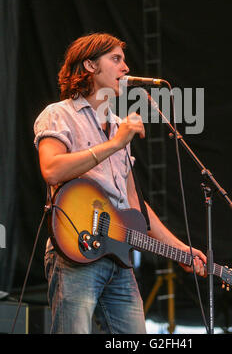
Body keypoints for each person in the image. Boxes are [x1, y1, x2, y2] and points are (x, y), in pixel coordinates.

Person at [34, 32, 206, 334]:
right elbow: (51, 169)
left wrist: (180, 248)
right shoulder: (58, 115)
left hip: (118, 258)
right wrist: (115, 144)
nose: (125, 68)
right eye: (116, 59)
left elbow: (133, 205)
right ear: (89, 65)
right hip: (76, 249)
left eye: (124, 60)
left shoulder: (117, 124)